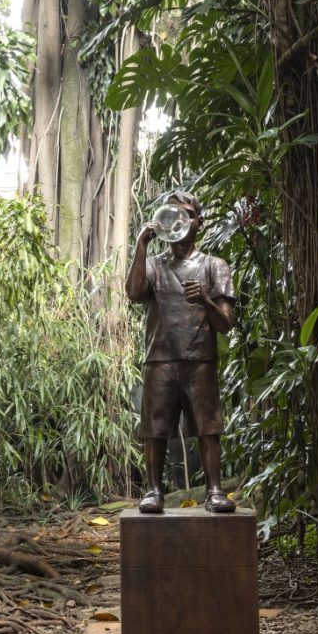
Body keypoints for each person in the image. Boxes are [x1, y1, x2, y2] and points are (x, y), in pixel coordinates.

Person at [125, 191, 235, 514]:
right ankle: (154, 490)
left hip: (200, 358)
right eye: (173, 213)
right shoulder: (155, 267)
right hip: (160, 358)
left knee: (207, 426)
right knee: (155, 429)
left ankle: (214, 490)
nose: (179, 220)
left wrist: (205, 300)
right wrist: (141, 245)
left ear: (197, 222)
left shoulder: (215, 266)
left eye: (186, 213)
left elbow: (226, 323)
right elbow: (133, 293)